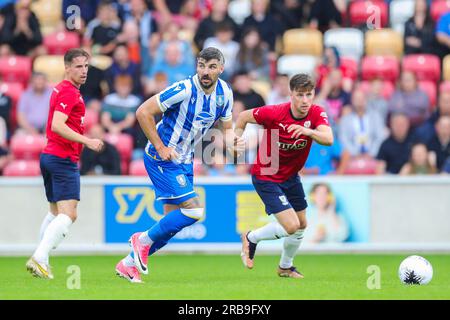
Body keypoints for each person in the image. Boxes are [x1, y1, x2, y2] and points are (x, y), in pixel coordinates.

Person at [115, 47, 243, 283]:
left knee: (168, 226)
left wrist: (234, 145)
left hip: (184, 161)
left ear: (221, 69)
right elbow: (143, 112)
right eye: (202, 65)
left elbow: (227, 130)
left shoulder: (225, 93)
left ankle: (128, 264)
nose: (206, 71)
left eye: (212, 66)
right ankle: (139, 240)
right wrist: (162, 147)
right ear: (196, 65)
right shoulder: (183, 89)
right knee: (194, 210)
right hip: (161, 158)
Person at [235, 73, 333, 278]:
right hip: (266, 175)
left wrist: (308, 132)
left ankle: (285, 267)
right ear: (291, 94)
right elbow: (243, 116)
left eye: (309, 94)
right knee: (291, 226)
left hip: (290, 176)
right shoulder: (274, 113)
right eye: (300, 95)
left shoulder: (316, 113)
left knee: (302, 224)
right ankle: (252, 237)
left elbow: (328, 138)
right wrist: (236, 140)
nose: (305, 100)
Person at [25, 49, 104, 279]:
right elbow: (58, 125)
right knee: (69, 214)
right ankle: (39, 257)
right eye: (78, 66)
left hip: (50, 157)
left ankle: (42, 260)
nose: (84, 71)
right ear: (67, 67)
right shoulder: (69, 92)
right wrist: (86, 140)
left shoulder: (61, 88)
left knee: (54, 212)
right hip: (62, 159)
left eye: (86, 66)